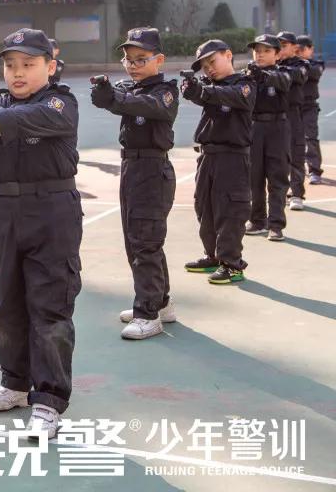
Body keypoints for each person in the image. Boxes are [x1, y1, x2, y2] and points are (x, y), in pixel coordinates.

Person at [0, 28, 81, 439]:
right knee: (10, 304)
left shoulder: (61, 101)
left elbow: (39, 118)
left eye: (28, 64)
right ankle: (16, 383)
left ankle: (48, 401)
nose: (17, 73)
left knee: (50, 306)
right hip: (4, 209)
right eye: (10, 65)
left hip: (51, 209)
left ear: (50, 66)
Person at [90, 27, 178, 340]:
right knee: (137, 239)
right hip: (131, 167)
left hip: (153, 170)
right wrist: (104, 94)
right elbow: (117, 99)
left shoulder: (165, 90)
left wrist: (114, 97)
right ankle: (160, 303)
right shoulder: (131, 88)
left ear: (160, 60)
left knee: (145, 242)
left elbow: (146, 106)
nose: (133, 65)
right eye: (128, 59)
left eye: (141, 59)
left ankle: (147, 313)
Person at [181, 40, 254, 285]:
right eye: (203, 66)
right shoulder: (210, 87)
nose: (208, 69)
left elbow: (232, 96)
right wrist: (192, 88)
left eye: (212, 61)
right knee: (205, 208)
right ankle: (212, 255)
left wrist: (203, 91)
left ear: (229, 55)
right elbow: (201, 94)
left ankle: (232, 264)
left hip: (232, 157)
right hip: (208, 156)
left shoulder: (244, 83)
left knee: (230, 211)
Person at [242, 35, 291, 242]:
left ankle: (276, 224)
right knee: (254, 176)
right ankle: (257, 220)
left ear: (277, 54)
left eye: (266, 50)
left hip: (277, 128)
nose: (260, 54)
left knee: (277, 176)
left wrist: (262, 76)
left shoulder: (284, 73)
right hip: (254, 127)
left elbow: (283, 83)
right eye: (257, 50)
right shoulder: (248, 74)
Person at [277, 31, 310, 211]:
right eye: (278, 45)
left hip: (293, 114)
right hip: (273, 114)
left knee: (296, 153)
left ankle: (297, 193)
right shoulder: (271, 64)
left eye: (284, 45)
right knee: (276, 156)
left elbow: (298, 75)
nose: (280, 49)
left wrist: (276, 69)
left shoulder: (301, 64)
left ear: (294, 47)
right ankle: (280, 191)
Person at [298, 35, 324, 185]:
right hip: (293, 107)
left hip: (309, 106)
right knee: (292, 140)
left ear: (311, 49)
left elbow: (313, 73)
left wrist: (300, 64)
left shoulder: (316, 64)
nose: (299, 52)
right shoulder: (290, 65)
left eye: (302, 49)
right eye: (297, 49)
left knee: (311, 137)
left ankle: (314, 170)